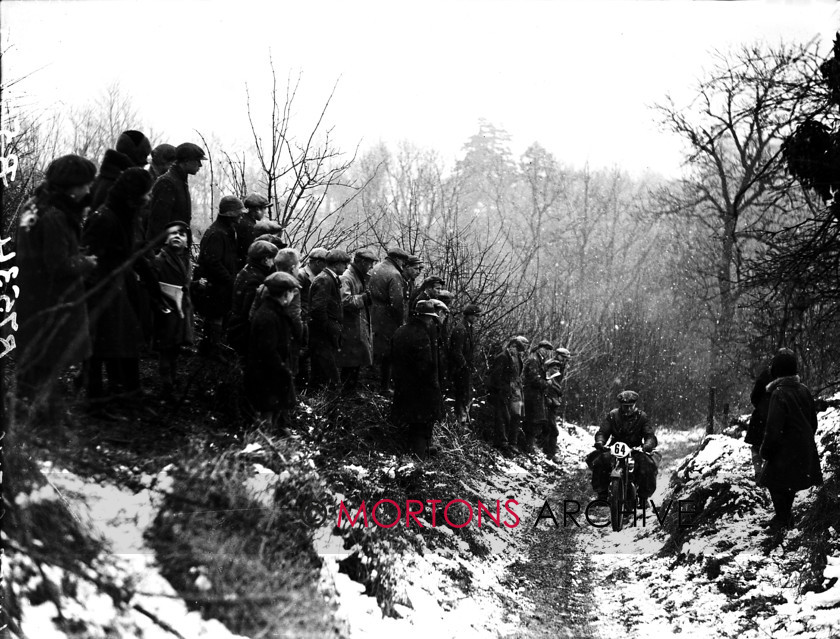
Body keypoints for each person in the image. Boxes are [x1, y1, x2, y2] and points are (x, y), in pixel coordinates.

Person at [16, 154, 98, 419]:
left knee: (34, 358)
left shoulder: (33, 205)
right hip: (51, 299)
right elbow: (59, 265)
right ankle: (43, 415)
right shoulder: (55, 216)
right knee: (48, 359)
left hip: (30, 294)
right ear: (69, 185)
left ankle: (27, 410)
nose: (88, 189)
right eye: (84, 184)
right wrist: (86, 261)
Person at [82, 167, 153, 409]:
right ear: (133, 195)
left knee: (121, 340)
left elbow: (132, 253)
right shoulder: (105, 218)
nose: (149, 198)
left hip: (118, 287)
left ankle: (123, 392)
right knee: (98, 347)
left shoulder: (125, 216)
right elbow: (89, 259)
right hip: (101, 291)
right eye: (146, 193)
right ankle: (95, 400)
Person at [759, 348, 823, 530]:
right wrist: (805, 440)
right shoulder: (803, 390)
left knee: (773, 481)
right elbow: (813, 421)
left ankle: (783, 519)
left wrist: (767, 449)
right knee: (786, 483)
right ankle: (784, 518)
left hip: (786, 449)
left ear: (777, 371)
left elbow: (773, 428)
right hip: (804, 447)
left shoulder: (779, 393)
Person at [245, 271, 301, 435]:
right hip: (267, 375)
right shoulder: (268, 316)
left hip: (270, 374)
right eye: (292, 292)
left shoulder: (274, 312)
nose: (292, 296)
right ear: (285, 294)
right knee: (266, 416)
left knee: (272, 412)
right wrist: (283, 370)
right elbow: (268, 351)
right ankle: (262, 447)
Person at [391, 300, 444, 458]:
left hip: (402, 386)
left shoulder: (400, 331)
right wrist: (433, 385)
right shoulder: (421, 335)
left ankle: (415, 453)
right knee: (421, 425)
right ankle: (419, 457)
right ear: (426, 317)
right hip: (420, 389)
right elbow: (425, 366)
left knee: (412, 424)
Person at [589, 390, 658, 505]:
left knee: (647, 465)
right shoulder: (613, 415)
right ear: (621, 405)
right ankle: (602, 494)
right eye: (626, 407)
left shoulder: (642, 417)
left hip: (635, 449)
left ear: (635, 405)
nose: (629, 409)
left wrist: (647, 445)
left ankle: (643, 497)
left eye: (631, 406)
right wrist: (600, 441)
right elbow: (603, 431)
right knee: (600, 461)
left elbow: (649, 435)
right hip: (615, 448)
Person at [196, 195, 244, 358]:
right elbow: (213, 262)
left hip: (221, 285)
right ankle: (212, 351)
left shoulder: (226, 231)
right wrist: (230, 280)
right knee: (215, 318)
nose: (241, 216)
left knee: (219, 317)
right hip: (215, 286)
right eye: (239, 213)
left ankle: (209, 349)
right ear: (230, 214)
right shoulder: (217, 233)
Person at [152, 220, 194, 397]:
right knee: (165, 348)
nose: (177, 236)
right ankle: (166, 384)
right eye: (173, 233)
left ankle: (173, 379)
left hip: (181, 310)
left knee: (175, 347)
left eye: (182, 234)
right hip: (165, 310)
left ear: (187, 242)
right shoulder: (159, 260)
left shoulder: (186, 262)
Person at [226, 240, 279, 356]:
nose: (274, 263)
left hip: (235, 324)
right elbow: (250, 312)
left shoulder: (247, 271)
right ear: (265, 259)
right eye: (272, 259)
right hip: (243, 330)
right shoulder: (256, 279)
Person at [147, 142, 206, 245]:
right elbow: (158, 224)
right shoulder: (167, 182)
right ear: (186, 161)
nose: (200, 165)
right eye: (197, 160)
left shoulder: (179, 181)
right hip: (167, 252)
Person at [369, 246, 410, 393]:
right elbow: (397, 303)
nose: (404, 265)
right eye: (403, 261)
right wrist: (400, 324)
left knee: (374, 350)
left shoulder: (376, 268)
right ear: (398, 259)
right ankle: (383, 387)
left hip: (372, 313)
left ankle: (371, 384)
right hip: (387, 318)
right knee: (388, 353)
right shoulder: (394, 274)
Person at [309, 249, 350, 389]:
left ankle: (319, 403)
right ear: (336, 264)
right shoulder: (324, 279)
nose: (346, 267)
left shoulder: (329, 278)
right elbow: (318, 309)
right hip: (322, 335)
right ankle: (323, 404)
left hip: (325, 334)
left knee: (323, 373)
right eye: (344, 263)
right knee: (327, 375)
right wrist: (329, 328)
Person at [336, 248, 377, 393]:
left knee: (355, 360)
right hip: (350, 326)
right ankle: (346, 393)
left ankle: (350, 391)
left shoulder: (359, 276)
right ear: (361, 262)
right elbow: (344, 301)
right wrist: (363, 298)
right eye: (369, 263)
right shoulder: (347, 277)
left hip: (357, 324)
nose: (371, 267)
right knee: (350, 361)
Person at [90, 130, 152, 212]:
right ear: (138, 156)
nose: (145, 164)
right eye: (144, 156)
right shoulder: (121, 185)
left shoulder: (103, 177)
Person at [487, 336, 529, 455]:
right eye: (516, 349)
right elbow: (496, 377)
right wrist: (502, 389)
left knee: (515, 416)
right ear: (512, 346)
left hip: (514, 391)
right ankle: (502, 443)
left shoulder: (517, 358)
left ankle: (511, 443)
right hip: (503, 392)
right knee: (503, 417)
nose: (517, 352)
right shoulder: (503, 357)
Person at [296, 247, 328, 389]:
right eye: (324, 263)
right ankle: (301, 386)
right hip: (303, 320)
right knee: (302, 354)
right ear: (316, 262)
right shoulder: (301, 276)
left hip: (310, 320)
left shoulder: (316, 276)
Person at [273, 248, 304, 376]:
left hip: (270, 336)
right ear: (292, 268)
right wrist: (301, 335)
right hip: (287, 337)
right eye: (298, 267)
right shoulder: (292, 289)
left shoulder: (267, 282)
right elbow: (294, 317)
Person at [449, 303, 481, 423]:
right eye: (476, 316)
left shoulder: (468, 328)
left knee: (466, 396)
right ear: (469, 316)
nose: (477, 318)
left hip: (464, 369)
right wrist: (464, 366)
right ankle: (460, 422)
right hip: (460, 370)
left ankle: (463, 422)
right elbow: (456, 352)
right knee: (462, 396)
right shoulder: (460, 329)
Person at [235, 193, 283, 269]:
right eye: (264, 208)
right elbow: (249, 252)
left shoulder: (243, 220)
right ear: (257, 209)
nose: (265, 212)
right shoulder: (249, 226)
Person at [744, 363, 774, 482]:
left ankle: (758, 472)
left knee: (756, 446)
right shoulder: (792, 378)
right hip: (780, 417)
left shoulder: (766, 374)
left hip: (761, 417)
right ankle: (768, 473)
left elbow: (754, 397)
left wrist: (761, 407)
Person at [522, 340, 553, 452]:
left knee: (535, 421)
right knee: (531, 420)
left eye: (548, 350)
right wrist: (546, 383)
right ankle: (528, 446)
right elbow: (534, 379)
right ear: (540, 348)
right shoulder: (534, 360)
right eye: (545, 349)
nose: (546, 352)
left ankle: (529, 445)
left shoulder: (539, 360)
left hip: (535, 394)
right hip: (531, 394)